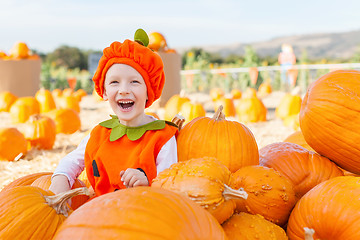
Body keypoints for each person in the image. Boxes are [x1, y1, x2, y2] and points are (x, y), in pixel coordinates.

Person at [49, 30, 179, 196]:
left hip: (143, 215)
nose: (123, 90)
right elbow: (71, 161)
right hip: (98, 214)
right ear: (104, 92)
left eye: (134, 82)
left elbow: (170, 188)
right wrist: (60, 179)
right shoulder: (98, 135)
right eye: (114, 82)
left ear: (149, 91)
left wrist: (147, 182)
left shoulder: (162, 138)